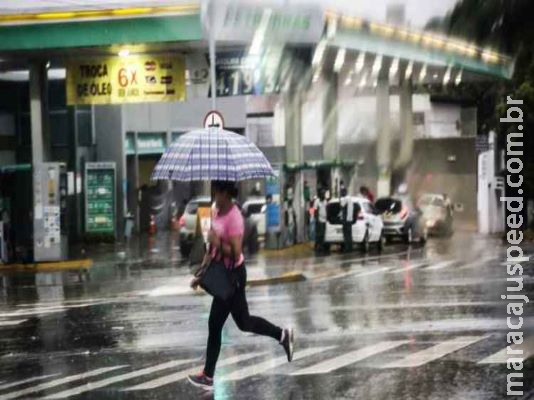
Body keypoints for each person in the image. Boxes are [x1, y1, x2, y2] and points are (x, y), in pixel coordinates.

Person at [188, 181, 294, 390]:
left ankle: (208, 375)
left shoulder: (235, 217)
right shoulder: (215, 212)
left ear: (226, 193)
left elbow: (236, 251)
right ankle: (283, 335)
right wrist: (201, 274)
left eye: (217, 192)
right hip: (221, 274)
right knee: (243, 323)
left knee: (215, 324)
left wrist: (218, 242)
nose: (214, 196)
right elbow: (211, 249)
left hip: (233, 276)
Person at [340, 188, 354, 253]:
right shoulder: (350, 198)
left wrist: (340, 198)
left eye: (342, 192)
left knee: (346, 235)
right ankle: (350, 247)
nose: (341, 194)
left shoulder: (345, 199)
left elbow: (342, 206)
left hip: (346, 219)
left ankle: (347, 248)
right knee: (349, 234)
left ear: (344, 193)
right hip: (350, 219)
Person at [314, 189, 328, 254]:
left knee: (323, 234)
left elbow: (327, 209)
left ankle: (320, 245)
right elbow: (315, 211)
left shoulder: (325, 201)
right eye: (322, 194)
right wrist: (316, 220)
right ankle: (318, 246)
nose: (323, 195)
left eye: (324, 194)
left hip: (324, 220)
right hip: (319, 220)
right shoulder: (317, 201)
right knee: (319, 234)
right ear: (320, 194)